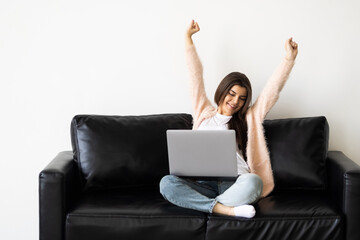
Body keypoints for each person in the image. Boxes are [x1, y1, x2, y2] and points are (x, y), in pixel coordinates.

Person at [160, 20, 298, 218]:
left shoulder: (248, 118)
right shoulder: (203, 112)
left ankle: (206, 207)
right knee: (166, 183)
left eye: (242, 98)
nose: (235, 101)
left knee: (254, 182)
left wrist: (289, 59)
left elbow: (271, 92)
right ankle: (225, 210)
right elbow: (195, 77)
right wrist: (188, 40)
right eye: (231, 94)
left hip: (235, 183)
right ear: (222, 91)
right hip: (202, 184)